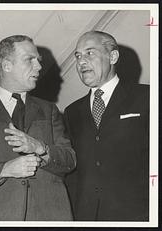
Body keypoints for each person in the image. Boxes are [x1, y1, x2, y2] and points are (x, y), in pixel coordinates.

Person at [0, 35, 76, 221]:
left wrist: (41, 148)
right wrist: (5, 169)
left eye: (38, 60)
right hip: (0, 217)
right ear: (7, 65)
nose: (39, 67)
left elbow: (70, 160)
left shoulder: (49, 109)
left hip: (52, 217)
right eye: (29, 60)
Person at [64, 31, 149, 221]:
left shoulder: (147, 97)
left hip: (137, 215)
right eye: (78, 56)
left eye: (89, 53)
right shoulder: (71, 112)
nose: (81, 62)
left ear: (113, 56)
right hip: (87, 217)